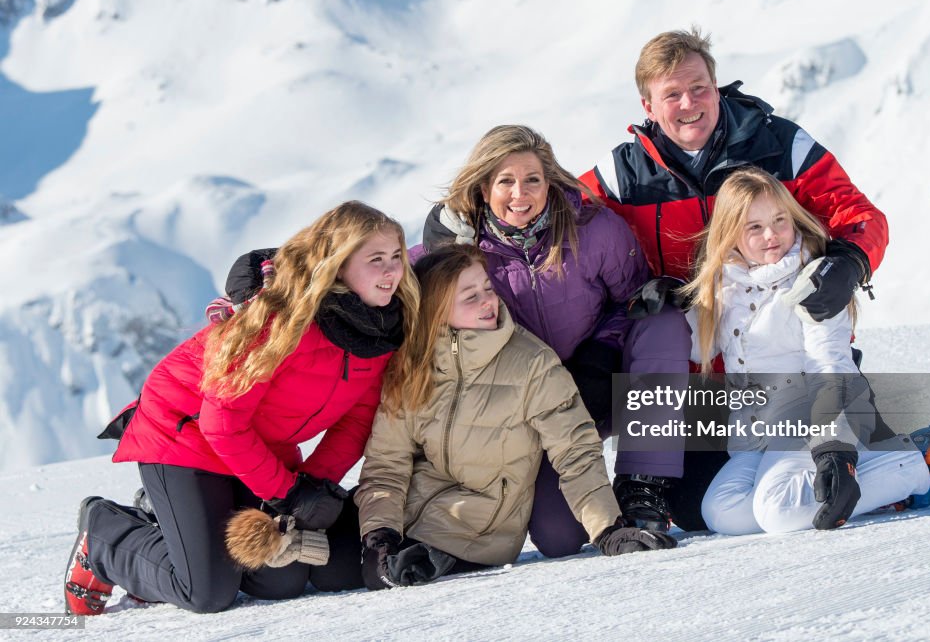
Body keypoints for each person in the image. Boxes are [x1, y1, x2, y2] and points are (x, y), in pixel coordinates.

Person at [578, 27, 890, 531]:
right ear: (648, 105)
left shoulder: (779, 144)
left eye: (699, 87)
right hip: (707, 376)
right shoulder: (624, 173)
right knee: (695, 509)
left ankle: (887, 460)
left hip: (796, 357)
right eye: (672, 94)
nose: (689, 103)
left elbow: (858, 213)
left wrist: (851, 261)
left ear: (716, 85)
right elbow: (550, 212)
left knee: (807, 468)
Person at [64, 201, 419, 615]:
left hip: (261, 446)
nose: (392, 270)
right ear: (338, 265)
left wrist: (313, 487)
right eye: (375, 259)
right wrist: (288, 494)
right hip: (183, 436)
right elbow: (221, 424)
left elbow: (358, 420)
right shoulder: (282, 321)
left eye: (396, 256)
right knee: (206, 591)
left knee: (279, 578)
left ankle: (176, 525)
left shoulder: (382, 330)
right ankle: (106, 535)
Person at [419, 124, 691, 552]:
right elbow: (383, 275)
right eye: (505, 181)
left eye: (532, 180)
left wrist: (601, 354)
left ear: (550, 181)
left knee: (662, 320)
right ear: (483, 186)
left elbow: (632, 302)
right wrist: (286, 271)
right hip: (538, 406)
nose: (520, 194)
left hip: (599, 382)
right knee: (559, 537)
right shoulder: (461, 251)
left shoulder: (593, 228)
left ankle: (643, 485)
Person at [356, 244, 675, 589]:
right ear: (435, 311)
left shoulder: (531, 363)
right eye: (470, 297)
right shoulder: (411, 367)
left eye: (487, 289)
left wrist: (608, 528)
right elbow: (387, 464)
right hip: (409, 520)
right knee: (337, 565)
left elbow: (575, 450)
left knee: (378, 579)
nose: (488, 302)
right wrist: (379, 536)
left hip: (477, 529)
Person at [680, 167, 930, 534]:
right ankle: (877, 476)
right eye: (754, 227)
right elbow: (699, 349)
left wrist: (831, 446)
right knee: (722, 512)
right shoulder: (726, 284)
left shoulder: (814, 282)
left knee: (778, 513)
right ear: (730, 235)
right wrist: (665, 310)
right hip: (755, 437)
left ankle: (913, 463)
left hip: (806, 423)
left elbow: (829, 363)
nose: (771, 235)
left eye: (780, 220)